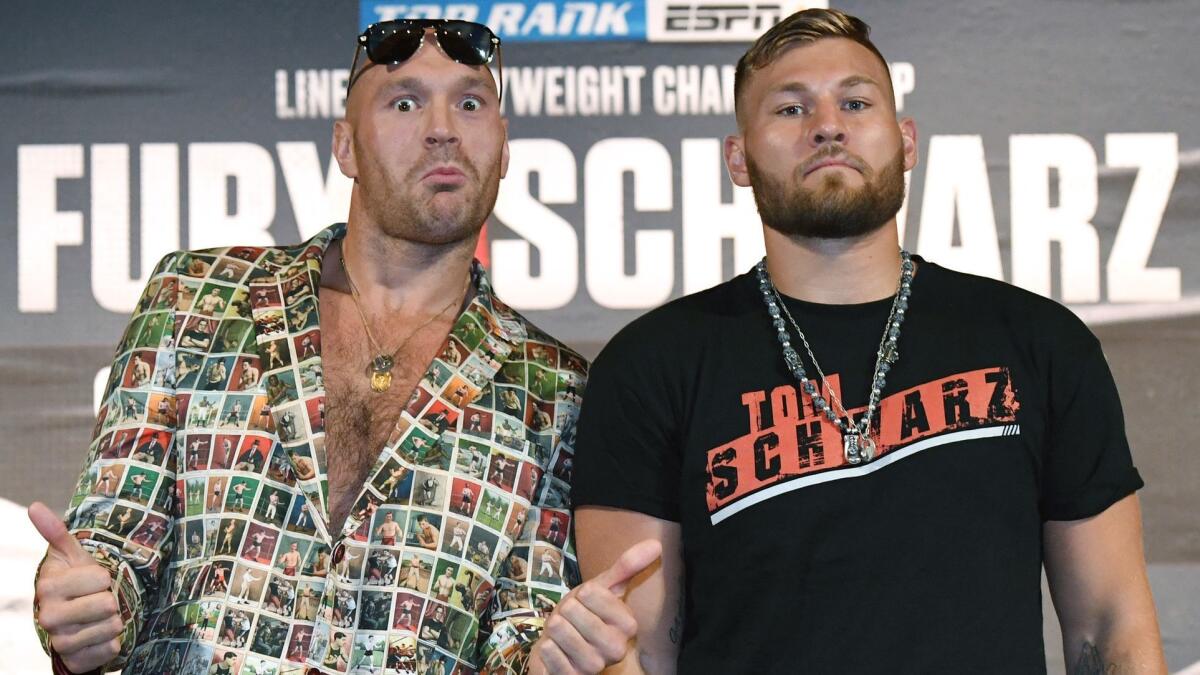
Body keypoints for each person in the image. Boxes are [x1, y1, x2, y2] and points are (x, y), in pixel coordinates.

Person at [564, 8, 1166, 674]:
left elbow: (1112, 625)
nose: (827, 125)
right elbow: (639, 653)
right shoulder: (652, 366)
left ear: (906, 140)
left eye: (855, 101)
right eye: (790, 110)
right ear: (738, 157)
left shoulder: (1040, 342)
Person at [30, 17, 594, 674]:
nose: (442, 127)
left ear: (502, 148)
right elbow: (110, 550)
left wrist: (557, 660)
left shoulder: (554, 390)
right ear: (346, 146)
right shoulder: (197, 298)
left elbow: (521, 637)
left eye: (470, 102)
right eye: (404, 101)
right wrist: (84, 610)